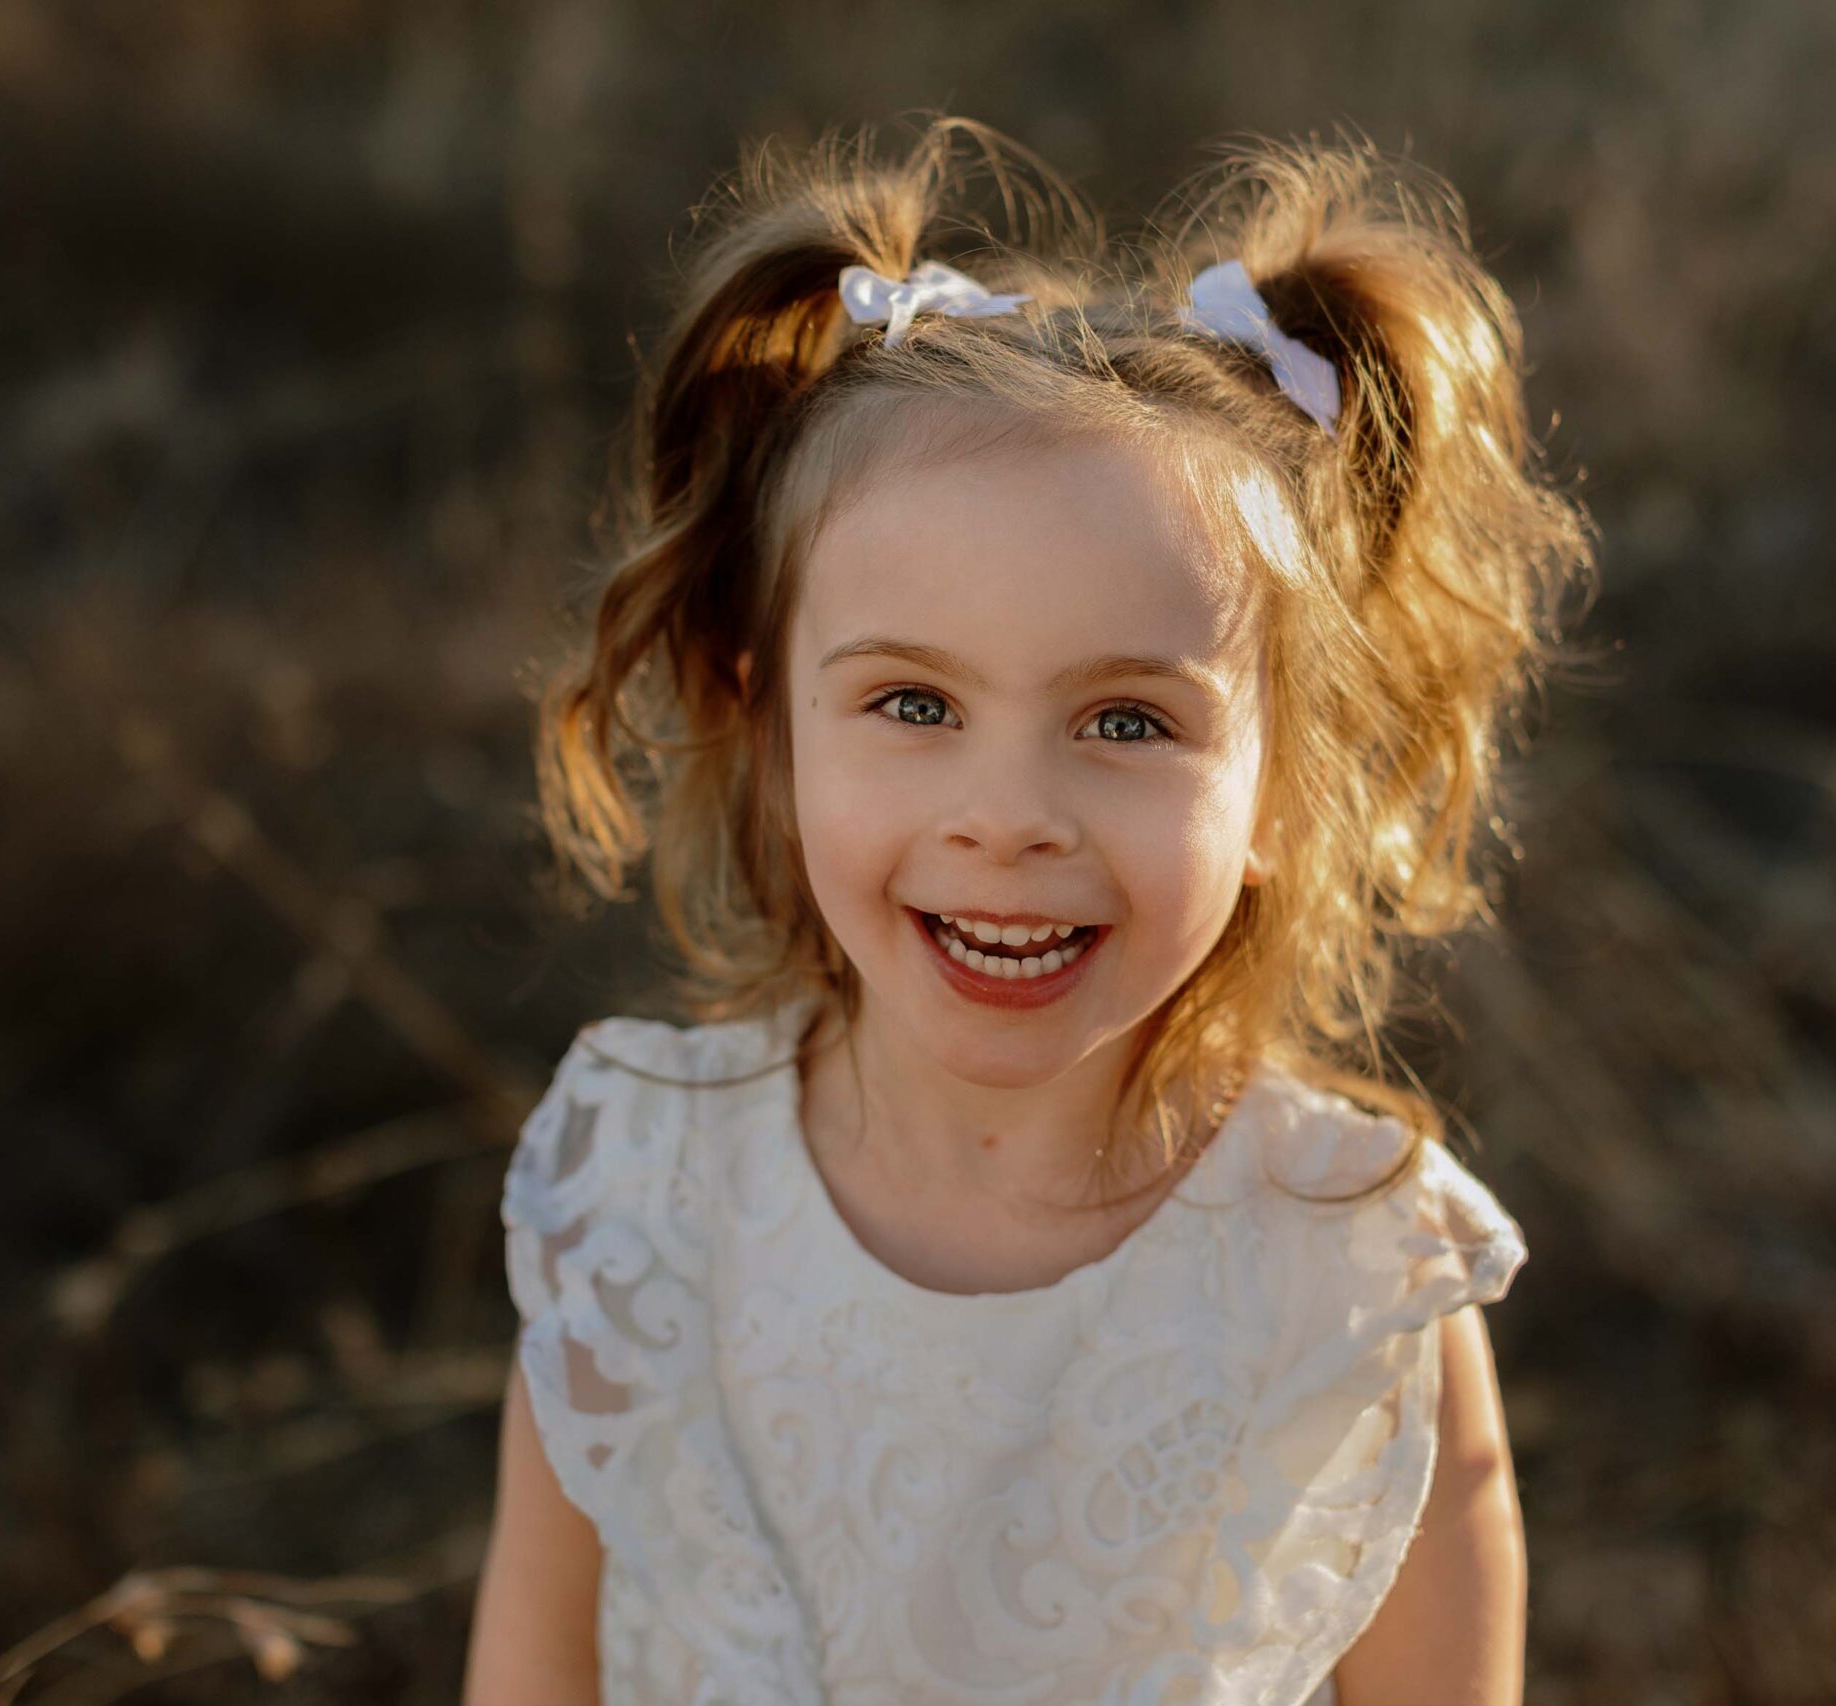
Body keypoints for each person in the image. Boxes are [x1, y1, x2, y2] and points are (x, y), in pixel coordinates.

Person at [465, 115, 1596, 1705]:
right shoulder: (639, 1209)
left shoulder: (1349, 1287)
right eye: (913, 703)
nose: (1008, 817)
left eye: (1129, 720)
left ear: (1286, 788)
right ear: (767, 720)